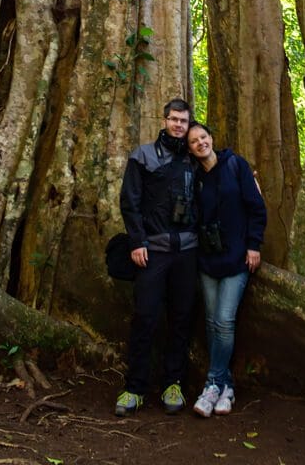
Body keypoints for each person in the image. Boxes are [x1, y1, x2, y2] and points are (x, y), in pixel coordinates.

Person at [115, 98, 198, 417]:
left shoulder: (194, 157)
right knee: (146, 317)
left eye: (184, 121)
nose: (178, 125)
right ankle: (135, 387)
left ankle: (173, 382)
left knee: (181, 318)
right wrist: (137, 241)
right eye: (174, 119)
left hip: (187, 252)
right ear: (164, 121)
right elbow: (130, 200)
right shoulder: (144, 156)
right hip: (153, 251)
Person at [187, 121, 267, 418]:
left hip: (237, 259)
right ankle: (226, 386)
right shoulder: (194, 177)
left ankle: (211, 384)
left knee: (223, 320)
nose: (200, 143)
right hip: (208, 260)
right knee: (210, 323)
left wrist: (254, 245)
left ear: (212, 137)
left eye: (203, 137)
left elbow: (257, 208)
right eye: (193, 141)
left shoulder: (236, 165)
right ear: (190, 148)